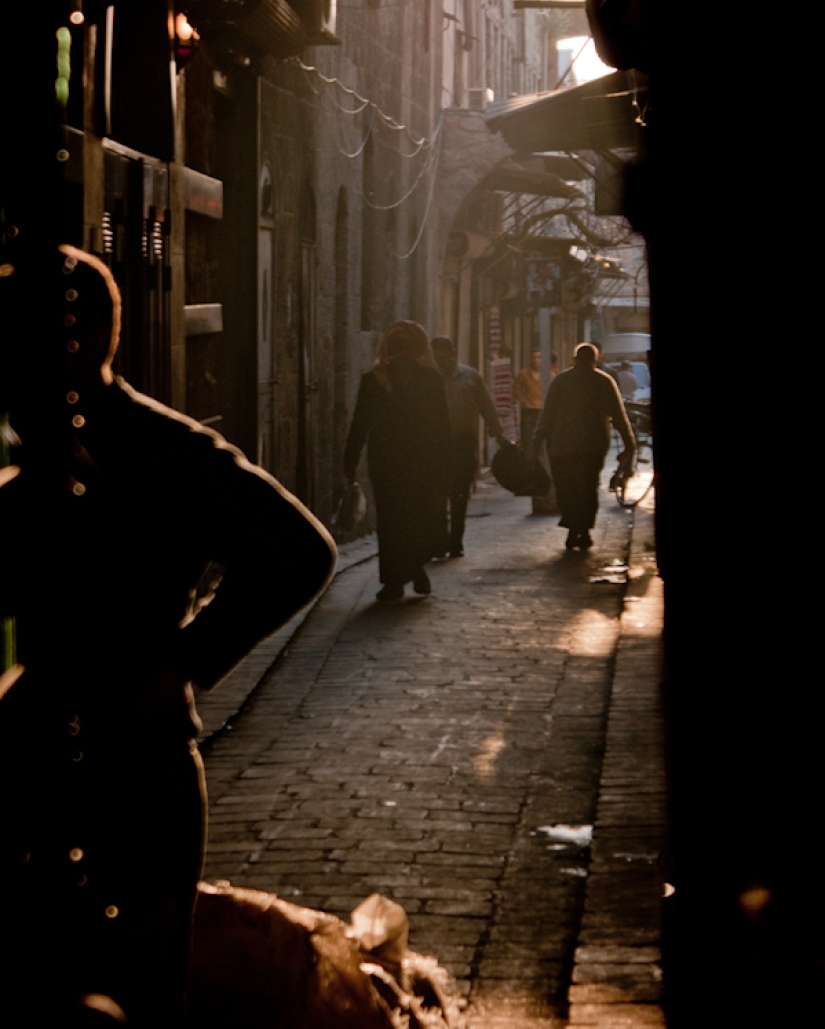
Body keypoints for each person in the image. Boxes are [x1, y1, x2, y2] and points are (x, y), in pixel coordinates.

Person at [0, 246, 336, 1027]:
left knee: (140, 993)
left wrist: (182, 660)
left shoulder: (164, 448)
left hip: (136, 765)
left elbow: (300, 549)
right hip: (33, 754)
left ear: (83, 337)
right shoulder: (27, 450)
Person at [343, 320, 451, 602]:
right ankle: (412, 572)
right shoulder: (429, 380)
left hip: (390, 463)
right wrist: (444, 464)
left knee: (393, 521)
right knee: (414, 517)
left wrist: (350, 460)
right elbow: (442, 428)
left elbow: (360, 425)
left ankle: (397, 579)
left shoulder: (375, 380)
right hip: (415, 463)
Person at [530, 342, 635, 551]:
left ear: (574, 360)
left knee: (566, 488)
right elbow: (619, 416)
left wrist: (536, 444)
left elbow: (547, 416)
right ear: (596, 361)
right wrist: (629, 444)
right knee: (588, 488)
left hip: (562, 447)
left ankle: (573, 527)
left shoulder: (561, 381)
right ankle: (583, 529)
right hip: (592, 447)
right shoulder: (603, 381)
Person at [430, 336, 505, 558]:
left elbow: (486, 405)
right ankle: (439, 541)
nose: (440, 362)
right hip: (436, 443)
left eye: (443, 356)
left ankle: (455, 542)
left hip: (463, 441)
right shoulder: (429, 378)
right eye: (436, 357)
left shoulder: (470, 376)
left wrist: (497, 432)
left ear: (452, 354)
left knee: (459, 494)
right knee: (437, 494)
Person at [512, 348, 559, 450]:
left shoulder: (549, 375)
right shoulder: (524, 374)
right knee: (527, 439)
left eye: (539, 357)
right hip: (527, 411)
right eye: (534, 357)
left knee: (541, 440)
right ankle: (528, 458)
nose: (536, 360)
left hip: (542, 411)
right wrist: (520, 398)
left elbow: (555, 391)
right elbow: (516, 386)